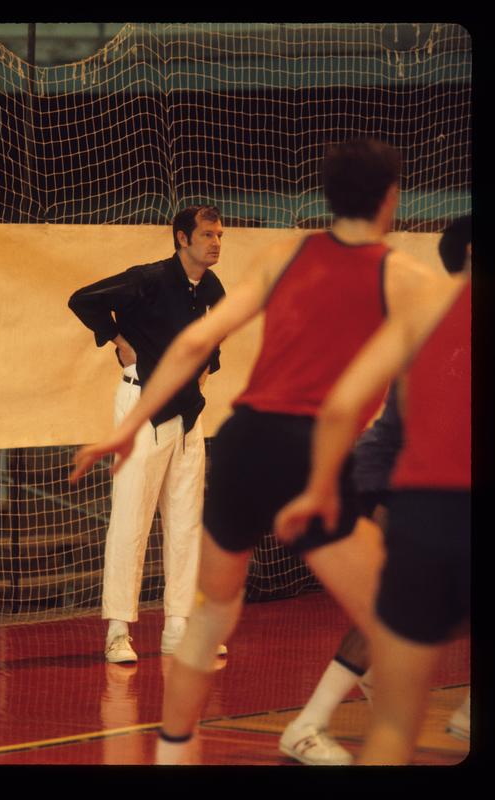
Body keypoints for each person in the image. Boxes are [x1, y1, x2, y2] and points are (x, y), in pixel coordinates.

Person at [70, 139, 451, 765]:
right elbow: (346, 403)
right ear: (391, 199)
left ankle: (172, 752)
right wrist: (322, 482)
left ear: (328, 197)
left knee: (210, 615)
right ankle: (319, 728)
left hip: (244, 441)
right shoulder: (407, 279)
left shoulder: (284, 254)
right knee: (396, 622)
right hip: (307, 451)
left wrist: (124, 425)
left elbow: (193, 345)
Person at [279, 214, 471, 765]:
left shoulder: (429, 313)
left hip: (417, 485)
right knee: (387, 610)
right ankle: (309, 722)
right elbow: (358, 408)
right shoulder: (440, 317)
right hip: (394, 482)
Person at [68, 206, 226, 662]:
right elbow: (83, 298)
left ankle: (178, 626)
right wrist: (119, 341)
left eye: (220, 235)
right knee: (131, 517)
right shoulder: (149, 279)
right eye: (207, 235)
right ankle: (118, 630)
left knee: (185, 520)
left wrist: (205, 372)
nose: (216, 243)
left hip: (190, 414)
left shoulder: (212, 288)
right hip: (141, 403)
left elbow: (215, 338)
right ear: (182, 238)